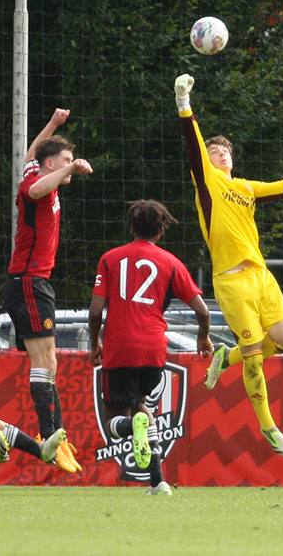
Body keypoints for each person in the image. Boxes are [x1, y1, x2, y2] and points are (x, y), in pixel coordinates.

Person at [172, 74, 283, 458]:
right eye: (215, 150)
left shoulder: (243, 187)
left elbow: (282, 187)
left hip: (261, 276)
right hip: (231, 281)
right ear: (206, 161)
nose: (221, 153)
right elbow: (193, 146)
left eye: (225, 151)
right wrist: (184, 104)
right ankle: (268, 426)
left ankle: (228, 356)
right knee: (256, 360)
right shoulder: (206, 182)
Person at [88, 199, 212, 495]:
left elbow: (95, 312)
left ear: (132, 227)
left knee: (113, 419)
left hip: (121, 349)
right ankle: (159, 482)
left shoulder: (110, 258)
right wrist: (203, 338)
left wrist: (95, 343)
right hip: (155, 348)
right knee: (141, 404)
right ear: (161, 231)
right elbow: (204, 311)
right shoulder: (171, 263)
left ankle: (133, 428)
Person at [2, 107, 93, 474]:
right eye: (65, 159)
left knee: (49, 362)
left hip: (33, 283)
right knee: (46, 363)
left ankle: (56, 437)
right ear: (52, 164)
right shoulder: (35, 186)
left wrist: (53, 125)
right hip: (28, 282)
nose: (71, 164)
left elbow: (30, 156)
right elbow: (38, 184)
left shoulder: (37, 170)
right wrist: (69, 168)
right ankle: (49, 438)